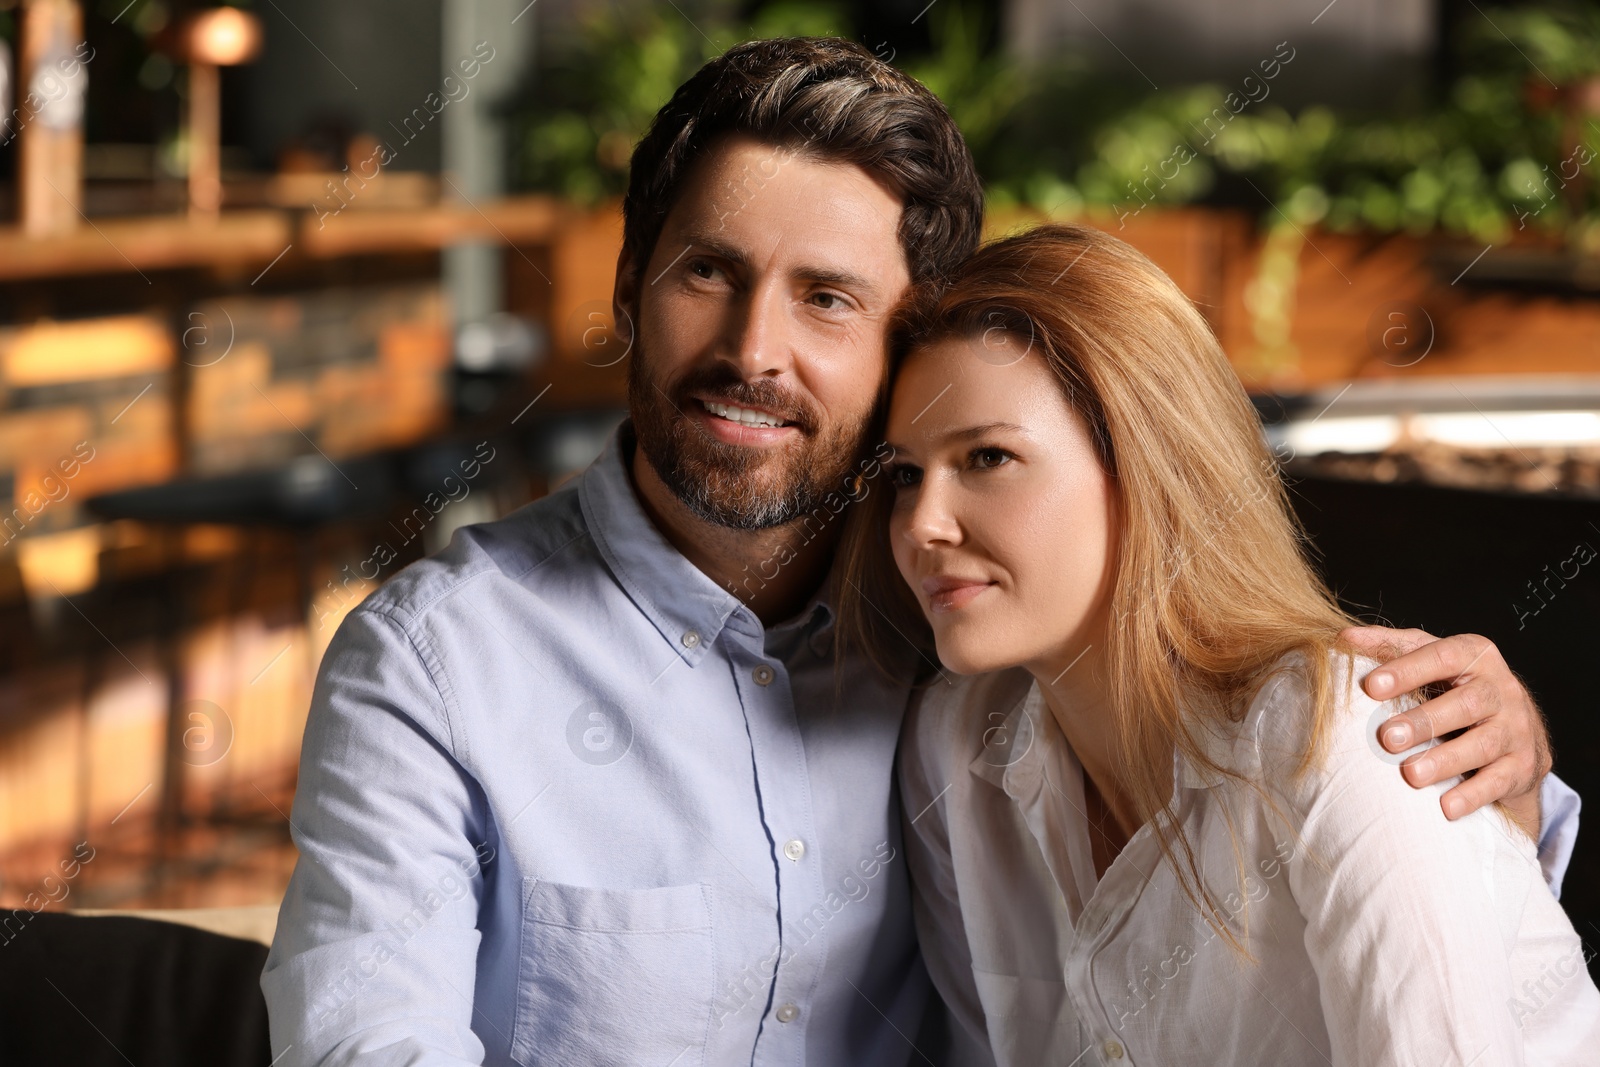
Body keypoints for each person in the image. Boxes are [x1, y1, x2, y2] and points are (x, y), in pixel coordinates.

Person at [262, 38, 1576, 1066]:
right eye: (706, 271)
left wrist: (1507, 758)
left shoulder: (960, 657)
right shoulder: (437, 659)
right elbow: (365, 1033)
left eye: (827, 297)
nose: (753, 348)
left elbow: (1407, 862)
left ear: (904, 347)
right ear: (627, 290)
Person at [866, 224, 1598, 1065]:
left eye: (988, 456)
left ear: (1146, 463)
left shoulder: (1347, 733)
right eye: (904, 475)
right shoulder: (954, 749)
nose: (922, 523)